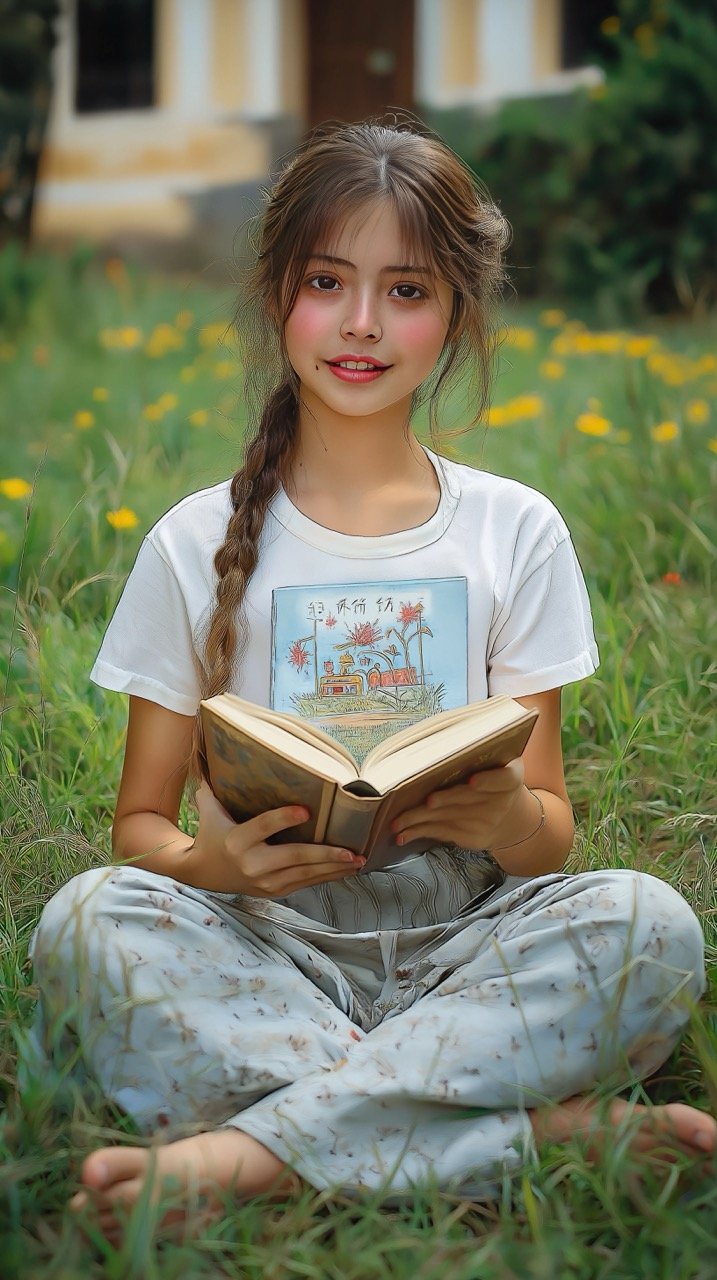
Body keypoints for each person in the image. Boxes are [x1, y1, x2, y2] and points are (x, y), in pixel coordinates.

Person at [26, 119, 714, 1239]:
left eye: (406, 289)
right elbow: (139, 826)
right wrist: (215, 864)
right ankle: (516, 1132)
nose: (360, 324)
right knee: (86, 920)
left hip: (464, 944)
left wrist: (506, 814)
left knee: (649, 921)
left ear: (455, 314)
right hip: (267, 943)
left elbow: (550, 835)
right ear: (278, 296)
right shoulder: (191, 540)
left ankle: (244, 1151)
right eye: (327, 282)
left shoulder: (512, 530)